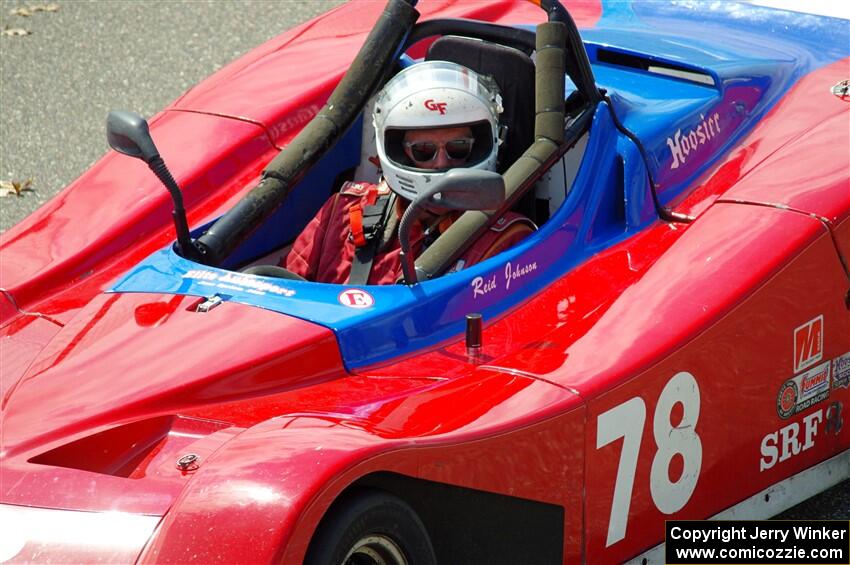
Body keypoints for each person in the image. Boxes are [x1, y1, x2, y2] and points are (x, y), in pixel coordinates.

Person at [284, 61, 535, 285]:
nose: (441, 163)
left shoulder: (508, 240)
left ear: (481, 146)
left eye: (458, 148)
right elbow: (285, 298)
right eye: (423, 150)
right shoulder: (341, 212)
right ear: (399, 151)